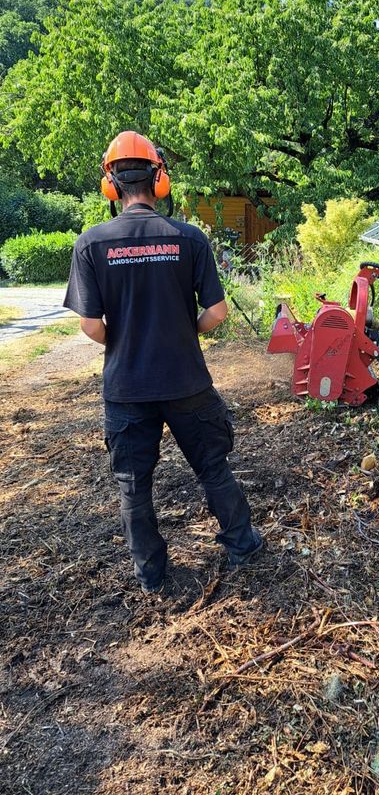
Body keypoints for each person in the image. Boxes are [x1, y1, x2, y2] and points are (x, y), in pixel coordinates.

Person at [64, 130, 263, 594]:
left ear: (110, 184)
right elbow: (216, 314)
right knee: (213, 468)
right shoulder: (188, 238)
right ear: (159, 179)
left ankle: (152, 575)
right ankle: (242, 545)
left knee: (133, 483)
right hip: (187, 382)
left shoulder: (91, 244)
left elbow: (91, 326)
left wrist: (126, 339)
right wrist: (182, 331)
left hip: (127, 387)